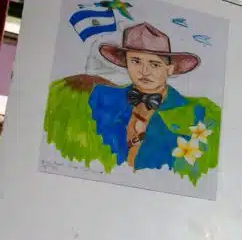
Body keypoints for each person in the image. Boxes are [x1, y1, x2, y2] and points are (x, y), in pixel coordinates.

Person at [47, 23, 222, 176]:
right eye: (136, 61)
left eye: (154, 64)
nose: (144, 71)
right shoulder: (101, 98)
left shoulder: (197, 112)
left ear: (169, 69)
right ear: (126, 63)